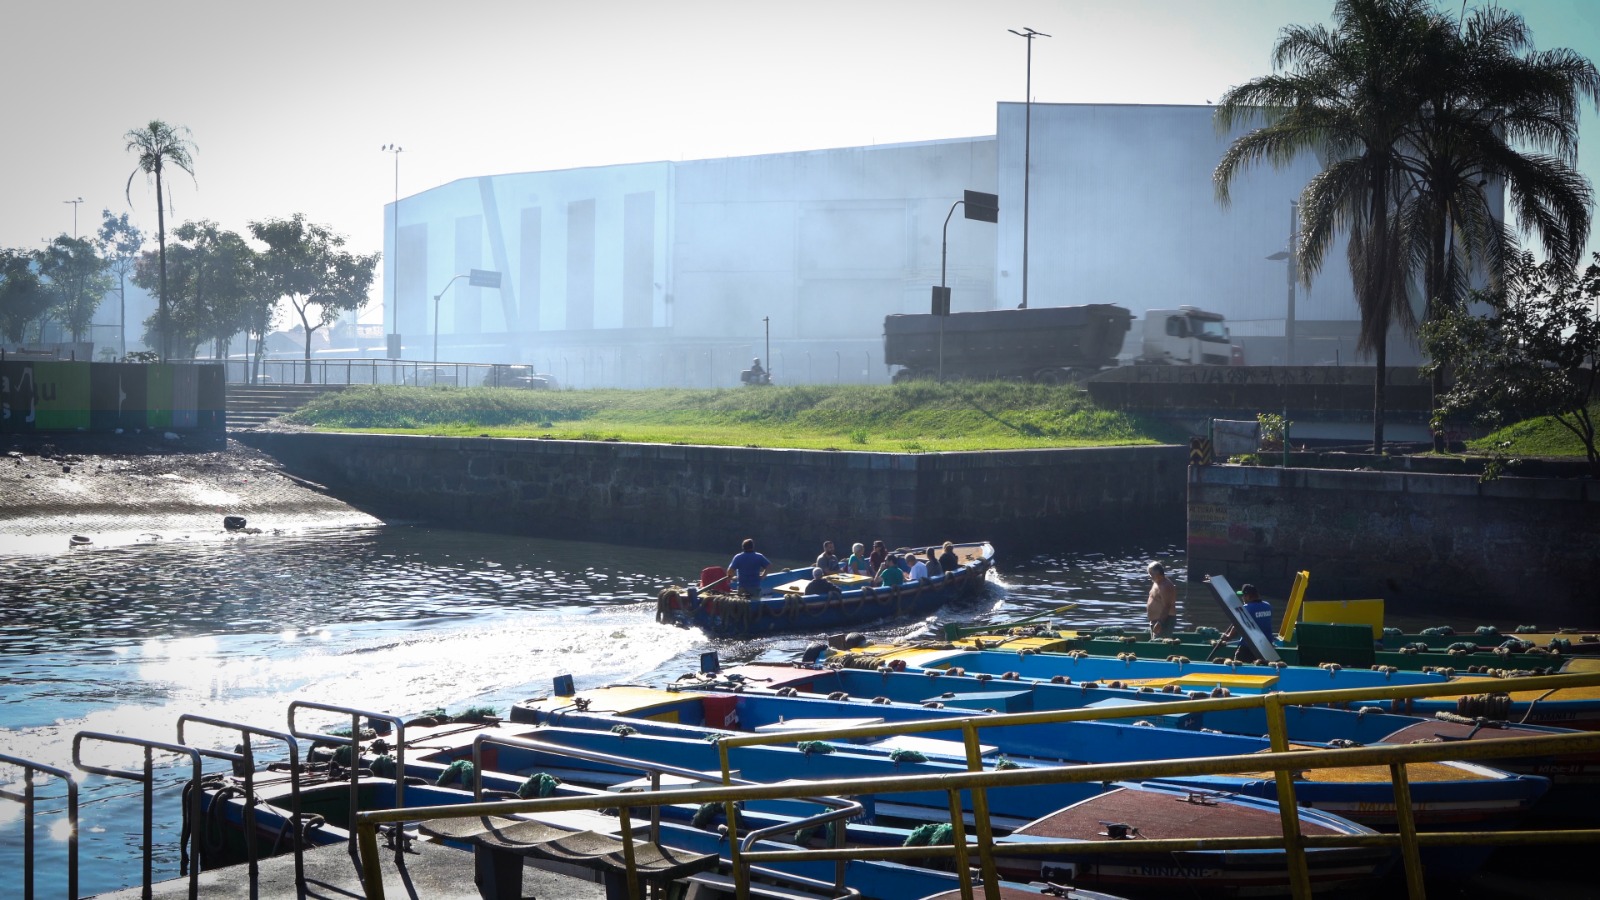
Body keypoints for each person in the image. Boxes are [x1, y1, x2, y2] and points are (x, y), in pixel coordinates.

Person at [1146, 561, 1177, 639]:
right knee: (1155, 645)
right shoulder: (1157, 582)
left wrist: (1160, 623)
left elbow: (1167, 606)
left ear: (1158, 573)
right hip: (1155, 621)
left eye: (1151, 574)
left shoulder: (1165, 586)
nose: (1149, 576)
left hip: (1164, 621)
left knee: (1160, 646)